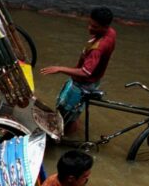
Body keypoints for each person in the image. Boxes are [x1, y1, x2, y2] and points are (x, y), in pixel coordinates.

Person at [40, 7, 116, 137]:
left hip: (83, 83)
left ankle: (64, 139)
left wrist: (60, 68)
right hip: (90, 80)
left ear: (105, 26)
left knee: (67, 115)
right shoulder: (111, 33)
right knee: (72, 110)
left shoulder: (98, 48)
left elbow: (86, 72)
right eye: (90, 24)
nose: (90, 28)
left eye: (95, 27)